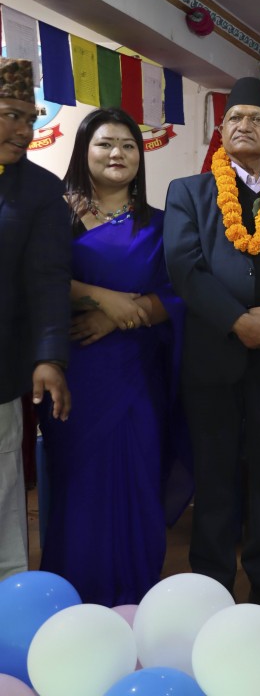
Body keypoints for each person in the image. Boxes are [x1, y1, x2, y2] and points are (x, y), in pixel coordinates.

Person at [164, 77, 260, 618]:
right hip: (214, 355)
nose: (244, 125)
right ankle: (211, 580)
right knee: (214, 473)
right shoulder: (189, 192)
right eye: (235, 117)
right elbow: (184, 268)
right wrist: (235, 320)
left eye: (257, 118)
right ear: (221, 129)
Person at [39, 107, 189, 605]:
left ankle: (134, 598)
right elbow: (39, 280)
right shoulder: (54, 216)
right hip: (75, 373)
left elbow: (180, 294)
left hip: (138, 373)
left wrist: (125, 316)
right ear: (84, 151)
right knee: (79, 486)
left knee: (138, 480)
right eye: (105, 143)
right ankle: (72, 602)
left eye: (128, 145)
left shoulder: (162, 224)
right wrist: (102, 298)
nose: (117, 153)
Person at [0, 58, 71, 581]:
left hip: (1, 370)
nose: (24, 131)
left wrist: (49, 357)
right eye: (11, 115)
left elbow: (47, 280)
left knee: (4, 499)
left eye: (30, 119)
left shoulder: (40, 191)